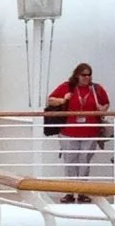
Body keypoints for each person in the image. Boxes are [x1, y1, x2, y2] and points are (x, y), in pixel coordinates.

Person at [47, 62, 110, 196]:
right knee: (70, 161)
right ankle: (70, 191)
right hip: (69, 132)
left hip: (90, 131)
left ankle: (82, 192)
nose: (87, 77)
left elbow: (106, 103)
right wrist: (63, 100)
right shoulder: (67, 87)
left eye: (89, 75)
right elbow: (50, 100)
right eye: (83, 75)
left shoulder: (96, 89)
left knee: (84, 161)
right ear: (77, 75)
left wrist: (102, 109)